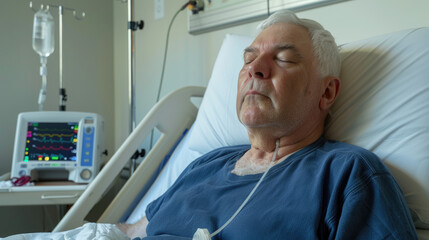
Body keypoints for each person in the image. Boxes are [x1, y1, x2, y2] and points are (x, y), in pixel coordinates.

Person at [3, 10, 418, 240]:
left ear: (327, 94)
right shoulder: (208, 164)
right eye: (248, 58)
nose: (255, 67)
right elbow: (128, 234)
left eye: (285, 59)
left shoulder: (346, 175)